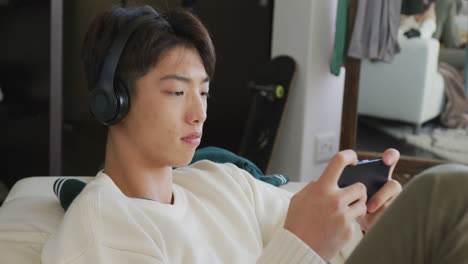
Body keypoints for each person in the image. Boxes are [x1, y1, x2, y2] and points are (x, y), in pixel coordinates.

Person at [41, 5, 468, 264]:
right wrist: (301, 245)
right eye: (176, 91)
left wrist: (361, 225)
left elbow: (312, 229)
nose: (199, 113)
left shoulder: (222, 182)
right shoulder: (100, 232)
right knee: (442, 192)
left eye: (204, 92)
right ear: (112, 100)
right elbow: (303, 243)